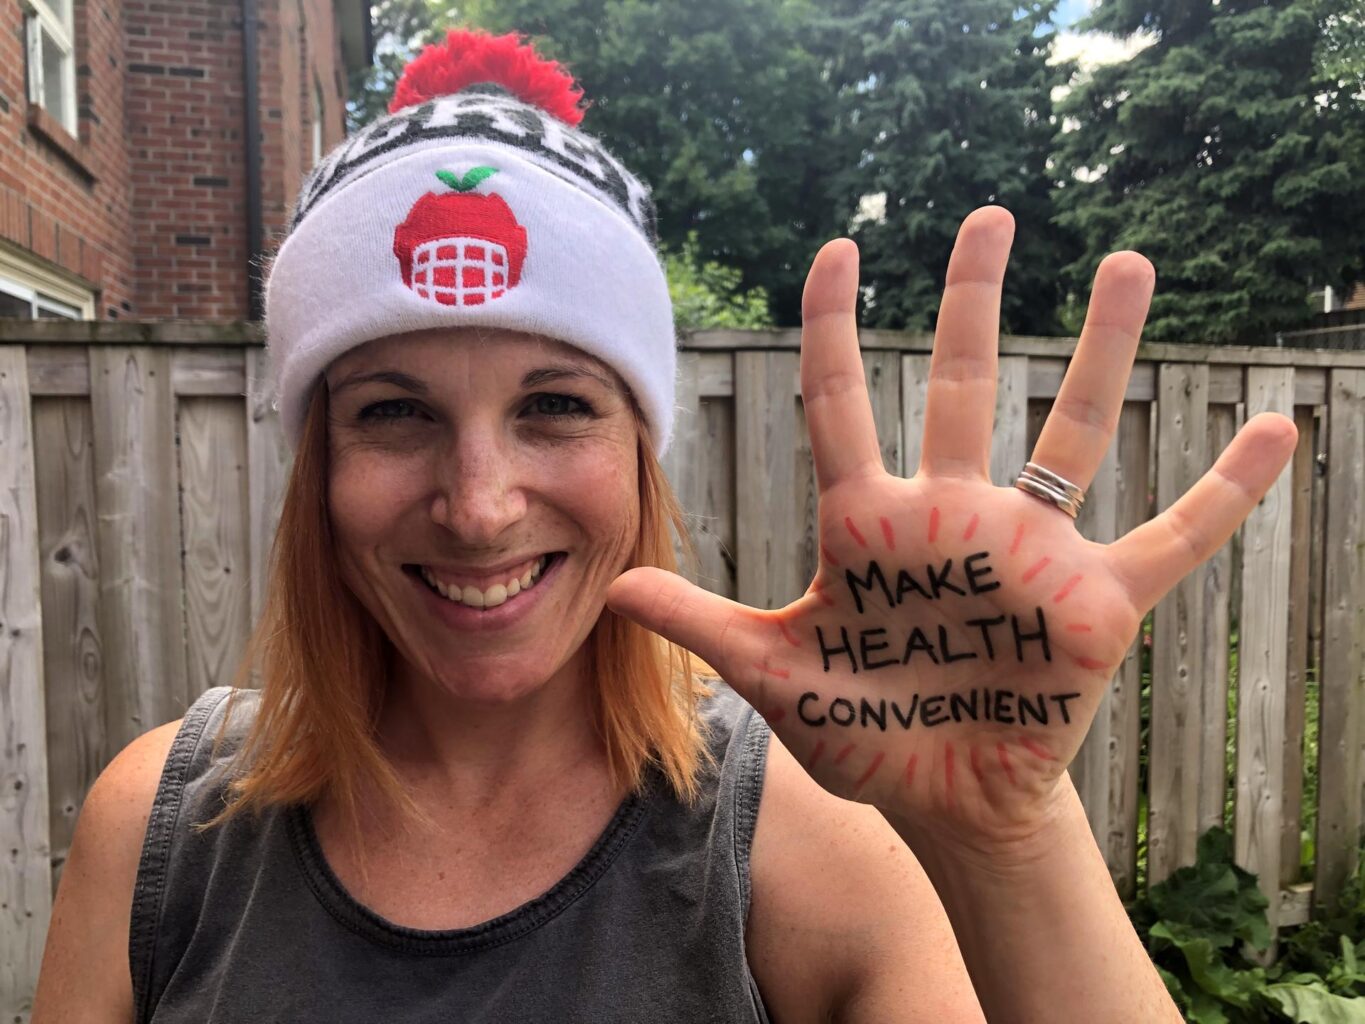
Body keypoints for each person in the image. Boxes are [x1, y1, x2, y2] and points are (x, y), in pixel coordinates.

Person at [32, 28, 1296, 1024]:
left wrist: (1008, 842)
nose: (478, 504)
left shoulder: (801, 841)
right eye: (394, 412)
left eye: (555, 406)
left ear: (640, 456)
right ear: (318, 465)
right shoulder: (160, 829)